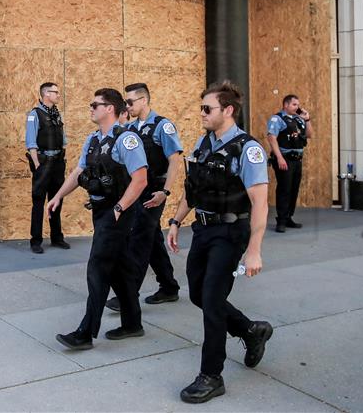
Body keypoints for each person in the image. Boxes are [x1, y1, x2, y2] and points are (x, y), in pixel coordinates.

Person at [167, 81, 272, 404]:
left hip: (231, 233)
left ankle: (211, 375)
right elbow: (193, 188)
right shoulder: (204, 142)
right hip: (203, 230)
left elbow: (260, 202)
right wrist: (175, 221)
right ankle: (250, 329)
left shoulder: (248, 149)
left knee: (212, 301)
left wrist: (254, 250)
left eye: (207, 109)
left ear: (227, 111)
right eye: (201, 108)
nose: (201, 113)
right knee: (198, 294)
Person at [47, 88, 148, 350]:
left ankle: (85, 332)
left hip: (118, 213)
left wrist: (119, 208)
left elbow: (140, 180)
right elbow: (79, 171)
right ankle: (132, 323)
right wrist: (58, 196)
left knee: (98, 267)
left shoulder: (127, 140)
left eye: (96, 104)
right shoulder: (93, 139)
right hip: (101, 210)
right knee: (119, 268)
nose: (91, 108)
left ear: (110, 109)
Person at [106, 83, 182, 313]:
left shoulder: (162, 126)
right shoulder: (131, 127)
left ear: (144, 101)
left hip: (154, 191)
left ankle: (128, 295)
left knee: (138, 240)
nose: (127, 106)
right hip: (137, 189)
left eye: (130, 102)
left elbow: (175, 160)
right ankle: (169, 286)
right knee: (152, 238)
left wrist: (165, 192)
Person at [25, 82, 70, 254]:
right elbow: (31, 143)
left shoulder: (56, 114)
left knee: (56, 200)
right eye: (55, 92)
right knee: (38, 202)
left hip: (57, 163)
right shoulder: (34, 115)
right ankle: (35, 241)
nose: (59, 95)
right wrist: (37, 165)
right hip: (43, 164)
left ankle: (57, 238)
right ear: (46, 94)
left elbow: (63, 139)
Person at [266, 94, 312, 232]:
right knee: (284, 189)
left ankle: (288, 217)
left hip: (297, 159)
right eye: (294, 104)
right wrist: (279, 158)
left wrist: (307, 119)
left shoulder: (299, 119)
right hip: (284, 158)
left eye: (298, 104)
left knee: (293, 189)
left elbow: (309, 135)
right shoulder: (277, 119)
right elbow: (271, 138)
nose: (297, 107)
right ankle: (281, 221)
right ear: (285, 105)